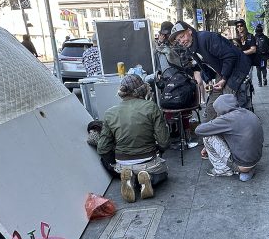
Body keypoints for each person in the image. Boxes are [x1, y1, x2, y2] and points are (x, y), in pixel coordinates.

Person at [96, 74, 170, 203]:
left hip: (122, 163)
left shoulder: (110, 112)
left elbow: (102, 148)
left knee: (123, 168)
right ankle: (148, 178)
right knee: (164, 173)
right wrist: (160, 148)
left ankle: (130, 179)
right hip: (148, 161)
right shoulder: (151, 106)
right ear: (141, 89)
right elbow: (164, 141)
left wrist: (113, 162)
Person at [168, 21, 254, 121]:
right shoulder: (190, 48)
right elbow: (203, 66)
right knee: (211, 107)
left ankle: (237, 127)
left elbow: (230, 56)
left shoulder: (206, 38)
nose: (181, 41)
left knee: (226, 104)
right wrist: (208, 80)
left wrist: (224, 79)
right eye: (178, 40)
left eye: (182, 36)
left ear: (189, 31)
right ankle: (212, 132)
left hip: (237, 68)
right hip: (223, 71)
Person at [195, 95, 263, 181]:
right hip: (255, 160)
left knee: (208, 136)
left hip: (242, 164)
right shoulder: (248, 112)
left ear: (220, 108)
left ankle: (222, 170)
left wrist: (215, 120)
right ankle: (247, 170)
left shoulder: (227, 119)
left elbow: (198, 130)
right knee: (223, 132)